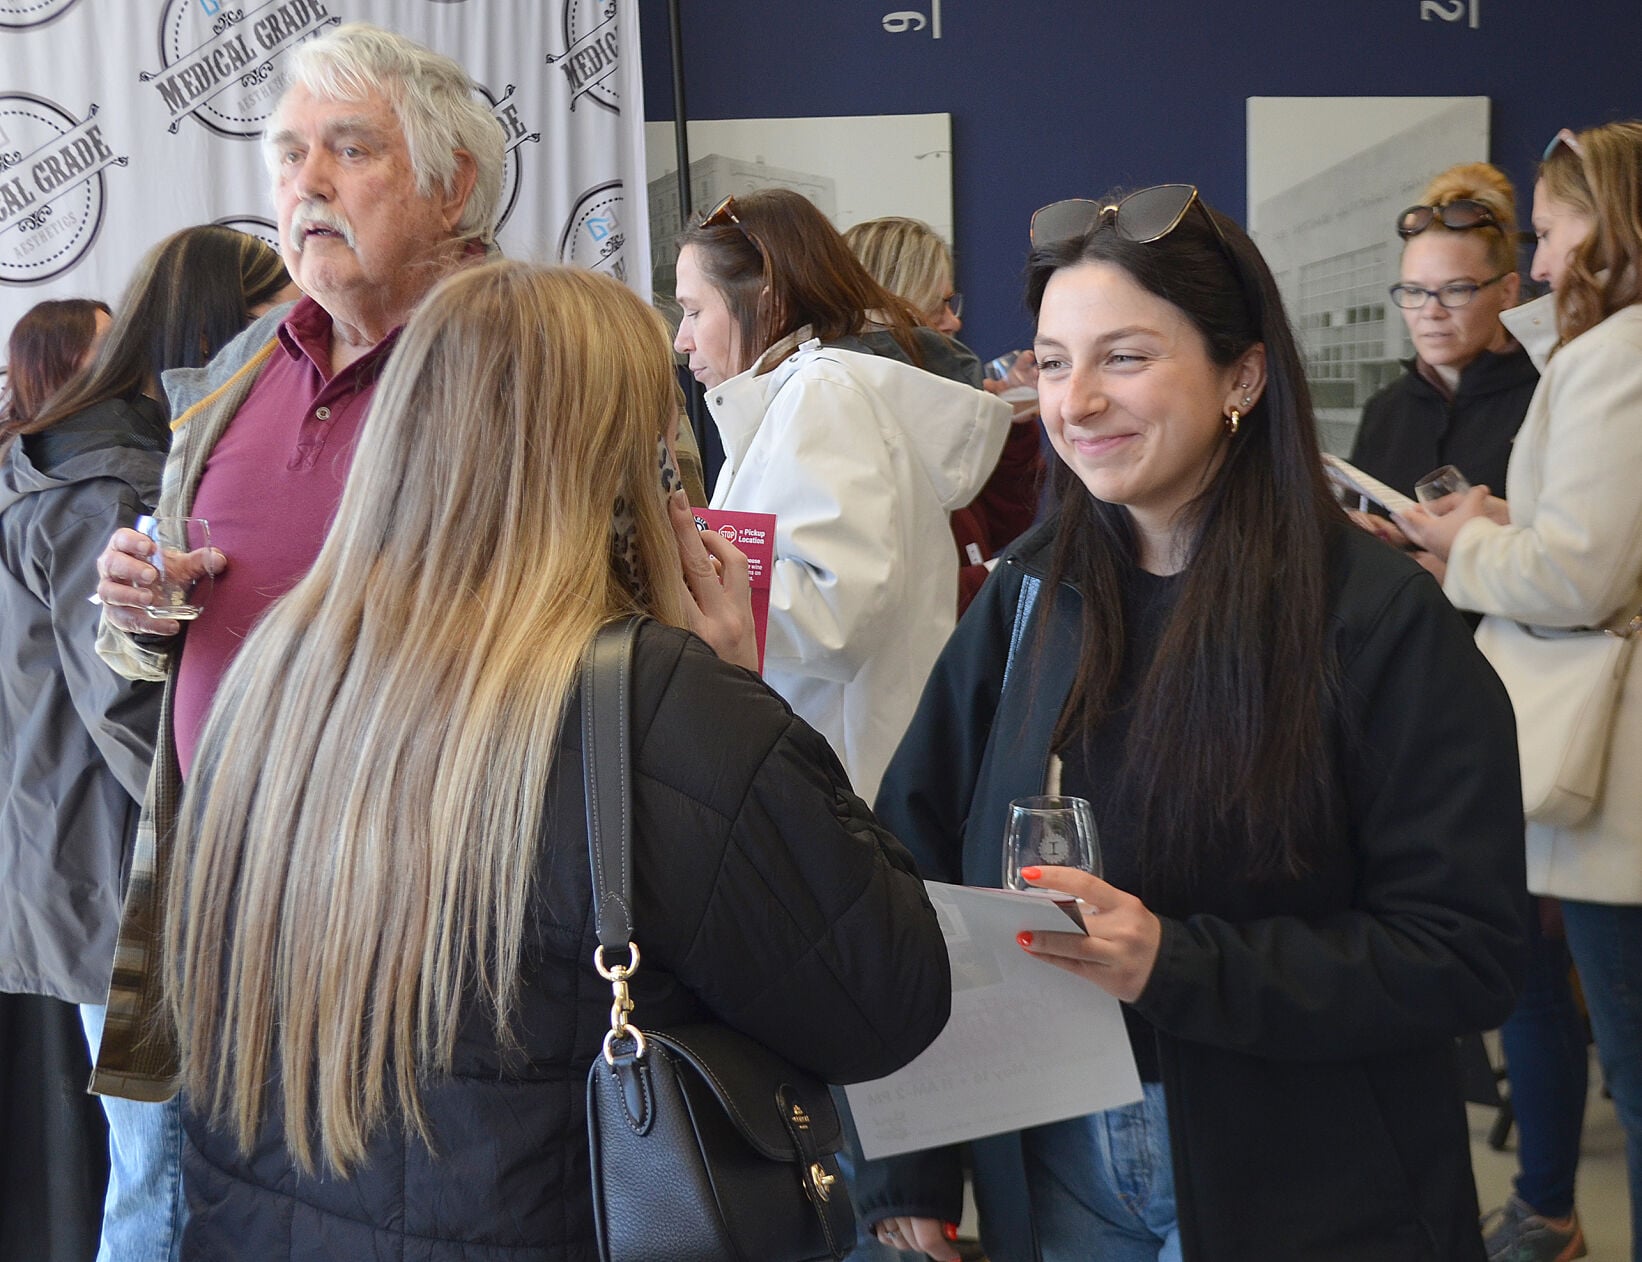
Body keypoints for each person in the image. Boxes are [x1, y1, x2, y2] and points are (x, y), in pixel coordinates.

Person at [160, 259, 951, 1259]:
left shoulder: (274, 676)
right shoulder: (657, 706)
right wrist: (740, 694)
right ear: (620, 470)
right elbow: (885, 1000)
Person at [848, 184, 1528, 1261]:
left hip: (1308, 1176)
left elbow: (1463, 949)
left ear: (1242, 377)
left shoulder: (1372, 618)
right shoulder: (1032, 594)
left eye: (1124, 357)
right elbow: (910, 867)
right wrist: (906, 1166)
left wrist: (1175, 960)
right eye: (1054, 359)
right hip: (1055, 1159)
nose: (1076, 401)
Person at [89, 21, 503, 1102]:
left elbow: (642, 627)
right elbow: (146, 659)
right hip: (232, 925)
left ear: (452, 185)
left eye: (351, 149)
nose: (306, 181)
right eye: (287, 152)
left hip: (451, 934)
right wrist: (141, 614)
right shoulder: (232, 373)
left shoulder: (540, 367)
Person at [1, 226, 291, 1262]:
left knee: (160, 1171)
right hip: (132, 879)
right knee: (163, 1181)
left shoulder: (82, 459)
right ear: (215, 331)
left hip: (110, 867)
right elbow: (124, 708)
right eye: (274, 324)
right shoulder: (105, 480)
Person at [1398, 119, 1642, 1262]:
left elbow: (1575, 571)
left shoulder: (1611, 356)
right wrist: (1507, 528)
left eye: (1550, 233)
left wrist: (1466, 551)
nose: (1543, 265)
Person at [673, 189, 1010, 799]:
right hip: (825, 768)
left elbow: (835, 612)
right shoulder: (785, 404)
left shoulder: (821, 398)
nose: (682, 339)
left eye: (694, 311)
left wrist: (682, 584)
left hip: (845, 779)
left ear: (765, 296)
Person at [846, 215, 1045, 613]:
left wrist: (1007, 425)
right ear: (896, 306)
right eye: (939, 305)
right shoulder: (858, 427)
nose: (954, 322)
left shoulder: (928, 411)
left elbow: (996, 523)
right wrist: (996, 579)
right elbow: (888, 602)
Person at [1350, 162, 1537, 534]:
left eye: (1455, 290)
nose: (1430, 312)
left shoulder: (1550, 397)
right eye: (1415, 292)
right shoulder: (1384, 412)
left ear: (1507, 292)